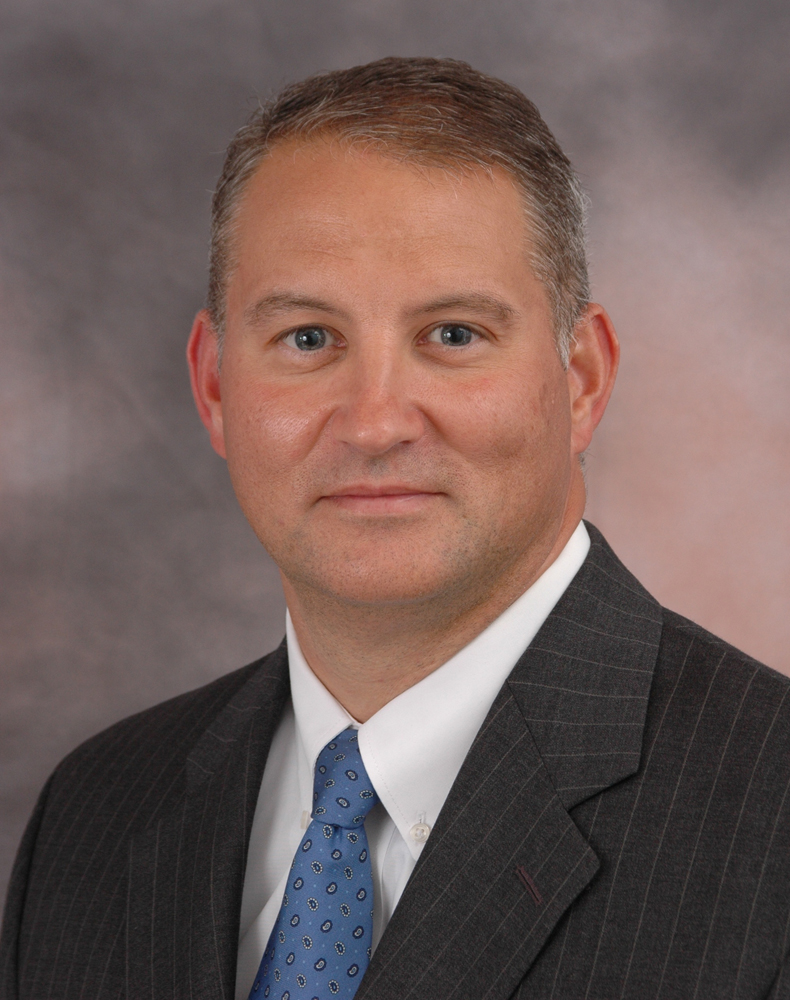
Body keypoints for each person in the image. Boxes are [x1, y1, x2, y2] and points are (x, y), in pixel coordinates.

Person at [2, 56, 790, 1000]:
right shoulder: (93, 817)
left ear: (580, 381)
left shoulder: (770, 816)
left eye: (453, 336)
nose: (376, 421)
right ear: (215, 386)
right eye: (308, 339)